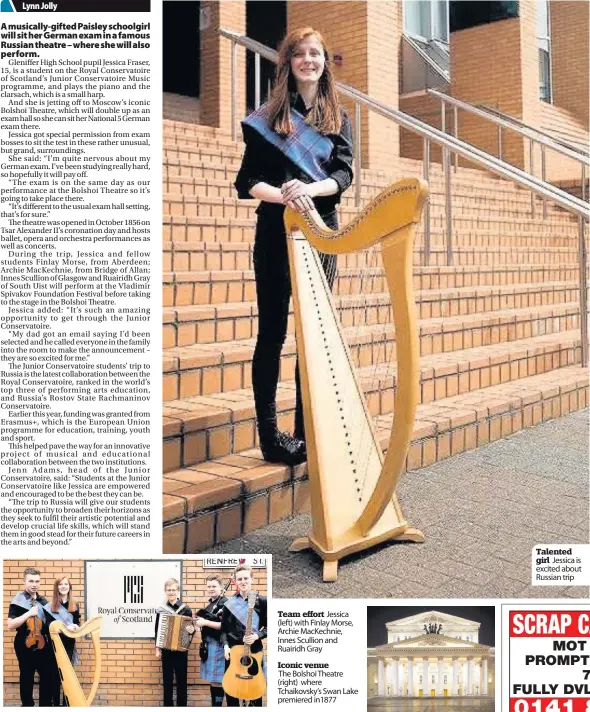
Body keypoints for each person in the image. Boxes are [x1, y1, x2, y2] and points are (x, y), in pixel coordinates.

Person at [234, 26, 354, 466]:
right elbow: (246, 183)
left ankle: (309, 431)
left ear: (324, 63)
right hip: (273, 234)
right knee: (272, 335)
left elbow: (343, 176)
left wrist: (312, 188)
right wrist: (286, 192)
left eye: (316, 54)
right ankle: (270, 437)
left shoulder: (339, 118)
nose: (308, 60)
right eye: (300, 54)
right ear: (288, 63)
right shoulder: (267, 117)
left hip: (322, 232)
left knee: (314, 337)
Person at [221, 565, 267, 707]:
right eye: (239, 579)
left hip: (253, 652)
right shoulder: (229, 604)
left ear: (252, 579)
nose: (243, 581)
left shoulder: (263, 601)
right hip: (234, 653)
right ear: (235, 581)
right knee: (232, 694)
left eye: (246, 578)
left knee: (254, 693)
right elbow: (224, 630)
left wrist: (257, 635)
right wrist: (226, 646)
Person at [7, 567, 52, 707]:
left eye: (37, 581)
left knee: (46, 674)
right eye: (31, 581)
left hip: (42, 642)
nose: (34, 584)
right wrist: (28, 613)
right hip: (23, 642)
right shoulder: (18, 600)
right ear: (24, 582)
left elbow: (51, 620)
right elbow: (11, 624)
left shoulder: (43, 600)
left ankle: (45, 705)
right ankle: (27, 705)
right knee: (27, 675)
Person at [154, 578, 195, 707]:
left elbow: (191, 631)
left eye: (173, 590)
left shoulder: (186, 609)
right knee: (167, 681)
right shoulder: (161, 609)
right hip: (166, 651)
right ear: (165, 591)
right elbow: (157, 629)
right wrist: (157, 648)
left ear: (178, 591)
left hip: (181, 651)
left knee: (182, 682)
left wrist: (192, 630)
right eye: (168, 590)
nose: (171, 592)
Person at [43, 576, 81, 706]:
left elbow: (77, 623)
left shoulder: (75, 605)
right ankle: (55, 704)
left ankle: (66, 704)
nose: (63, 586)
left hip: (69, 644)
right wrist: (64, 628)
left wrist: (76, 627)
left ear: (69, 587)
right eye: (60, 584)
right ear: (57, 587)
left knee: (67, 676)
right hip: (54, 644)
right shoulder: (49, 606)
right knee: (55, 676)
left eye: (66, 584)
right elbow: (48, 626)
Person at [194, 575, 228, 707]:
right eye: (209, 586)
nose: (211, 589)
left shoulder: (225, 603)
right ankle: (215, 706)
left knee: (218, 680)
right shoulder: (211, 604)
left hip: (219, 645)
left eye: (214, 586)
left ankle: (217, 706)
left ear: (221, 587)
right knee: (213, 680)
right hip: (209, 645)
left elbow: (225, 626)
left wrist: (206, 622)